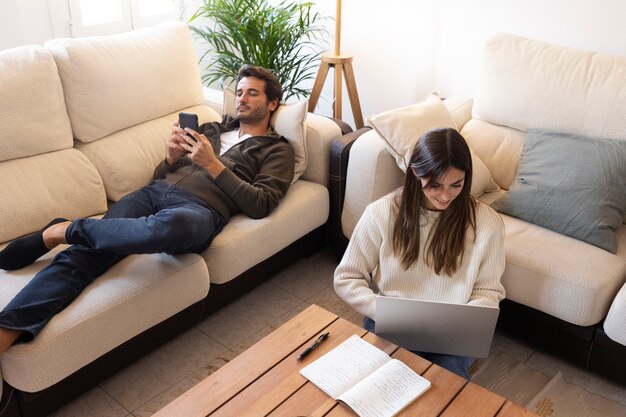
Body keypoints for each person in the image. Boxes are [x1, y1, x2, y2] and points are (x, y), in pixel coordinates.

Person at [0, 64, 295, 354]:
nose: (241, 98)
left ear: (272, 103)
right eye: (240, 92)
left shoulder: (276, 149)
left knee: (168, 228)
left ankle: (64, 229)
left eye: (252, 94)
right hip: (154, 192)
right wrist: (169, 159)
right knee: (85, 254)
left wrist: (212, 164)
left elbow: (262, 204)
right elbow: (161, 176)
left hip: (200, 210)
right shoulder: (211, 130)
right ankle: (7, 329)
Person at [334, 128, 505, 379]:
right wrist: (380, 310)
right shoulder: (381, 213)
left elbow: (488, 291)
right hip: (393, 321)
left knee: (446, 387)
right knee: (387, 383)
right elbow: (347, 277)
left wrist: (466, 321)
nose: (445, 196)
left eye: (456, 185)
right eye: (435, 185)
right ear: (415, 172)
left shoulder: (487, 223)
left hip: (453, 330)